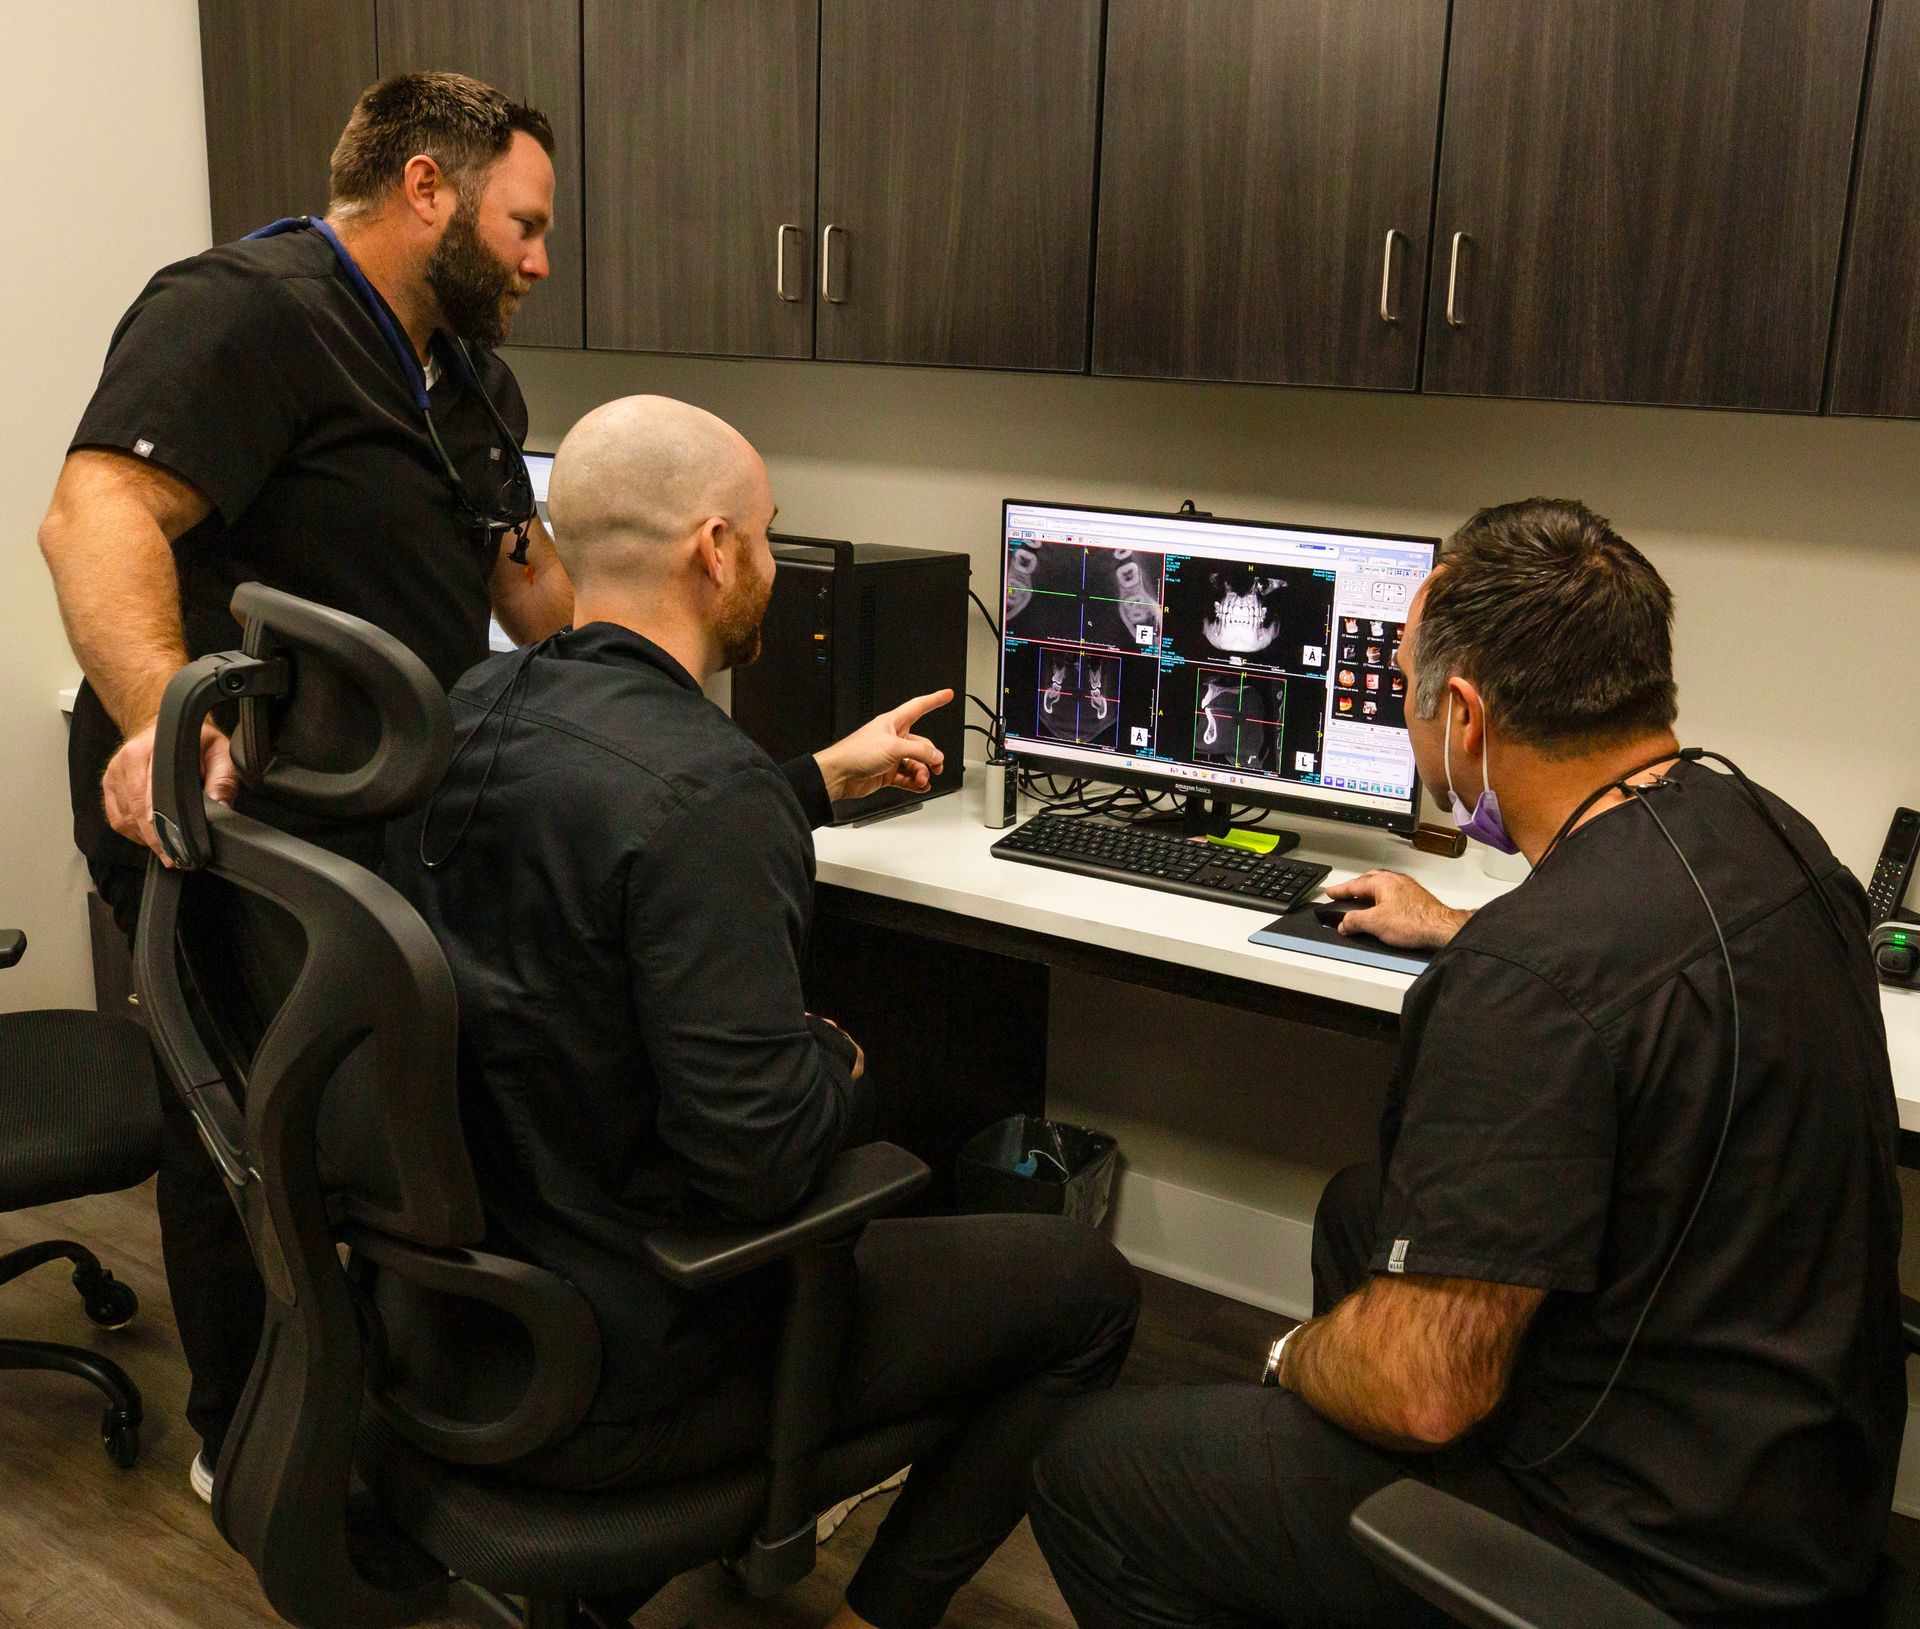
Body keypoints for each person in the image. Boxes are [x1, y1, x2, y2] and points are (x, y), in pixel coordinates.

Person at [1029, 499, 1902, 1629]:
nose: (1401, 715)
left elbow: (1427, 1391)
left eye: (1402, 690)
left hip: (1639, 1561)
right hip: (1799, 1486)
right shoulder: (1778, 838)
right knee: (1362, 1209)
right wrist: (1461, 927)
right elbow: (1628, 961)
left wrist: (1293, 1357)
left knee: (1090, 1471)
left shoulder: (1527, 979)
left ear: (1467, 715)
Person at [387, 395, 1141, 1629]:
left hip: (467, 1332)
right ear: (717, 548)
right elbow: (759, 1159)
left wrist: (809, 783)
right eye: (772, 535)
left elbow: (606, 854)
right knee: (1087, 1288)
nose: (777, 568)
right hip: (643, 1359)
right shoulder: (703, 792)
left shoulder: (468, 706)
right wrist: (840, 1065)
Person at [37, 70, 576, 1494]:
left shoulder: (467, 377)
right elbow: (94, 515)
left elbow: (528, 583)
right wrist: (162, 721)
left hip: (373, 808)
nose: (540, 260)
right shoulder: (246, 310)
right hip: (220, 810)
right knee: (244, 1120)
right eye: (524, 225)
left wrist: (641, 671)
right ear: (426, 189)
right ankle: (243, 1440)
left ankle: (369, 1394)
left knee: (363, 1112)